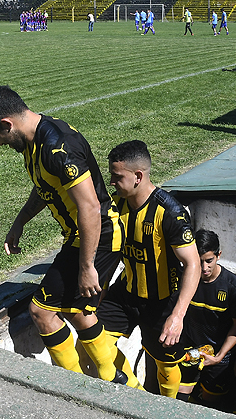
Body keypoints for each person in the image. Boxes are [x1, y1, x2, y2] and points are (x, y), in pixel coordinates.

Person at [0, 85, 128, 385]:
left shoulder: (58, 146)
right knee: (77, 311)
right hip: (83, 234)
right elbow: (45, 186)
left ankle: (75, 387)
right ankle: (117, 380)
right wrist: (20, 221)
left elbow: (90, 208)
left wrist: (87, 268)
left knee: (41, 312)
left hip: (98, 234)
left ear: (8, 124)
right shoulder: (36, 141)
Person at [89, 140, 201, 395]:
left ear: (138, 176)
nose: (112, 183)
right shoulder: (117, 205)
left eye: (117, 177)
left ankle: (166, 408)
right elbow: (112, 251)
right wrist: (102, 290)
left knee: (166, 365)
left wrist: (178, 316)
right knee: (95, 341)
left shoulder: (170, 212)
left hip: (161, 304)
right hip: (125, 293)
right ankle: (133, 389)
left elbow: (192, 263)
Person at [177, 229, 236, 405]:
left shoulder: (235, 287)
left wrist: (218, 357)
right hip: (189, 352)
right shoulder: (183, 278)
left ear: (219, 255)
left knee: (210, 405)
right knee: (178, 399)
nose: (204, 268)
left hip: (218, 357)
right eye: (199, 262)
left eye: (209, 261)